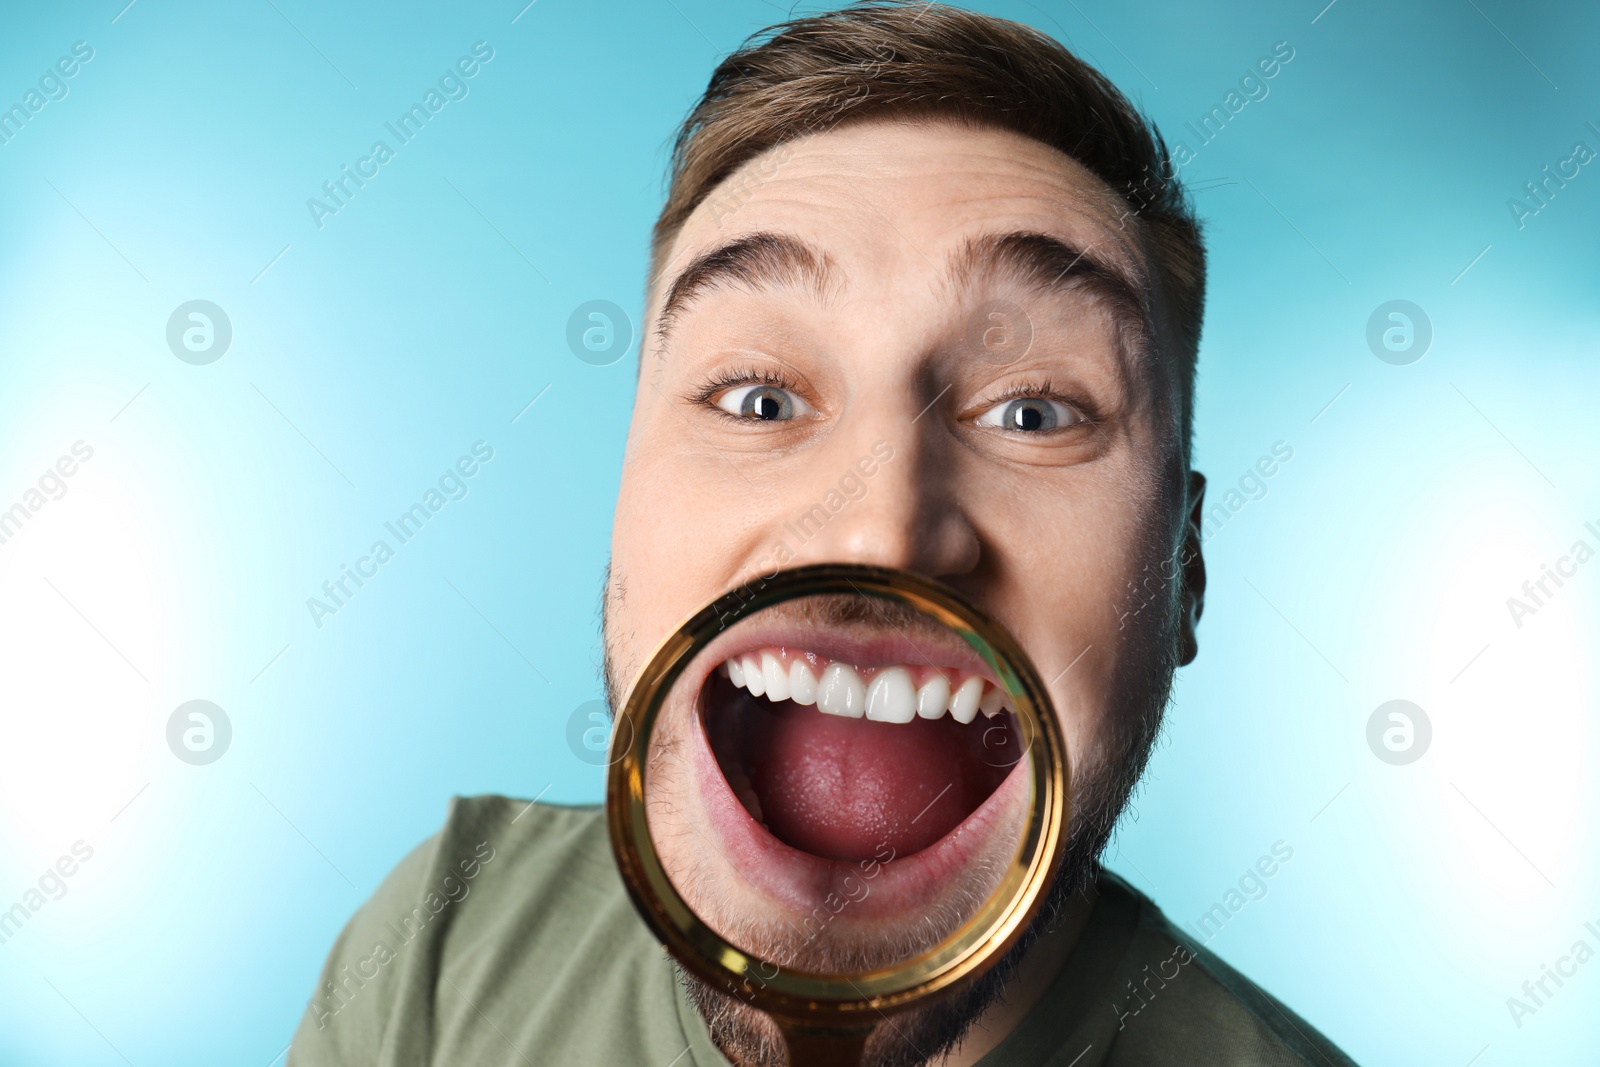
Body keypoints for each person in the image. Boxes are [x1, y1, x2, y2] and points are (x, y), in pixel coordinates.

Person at [289, 3, 1357, 1064]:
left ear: (1184, 572)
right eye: (758, 397)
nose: (878, 525)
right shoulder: (446, 941)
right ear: (621, 509)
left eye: (1033, 411)